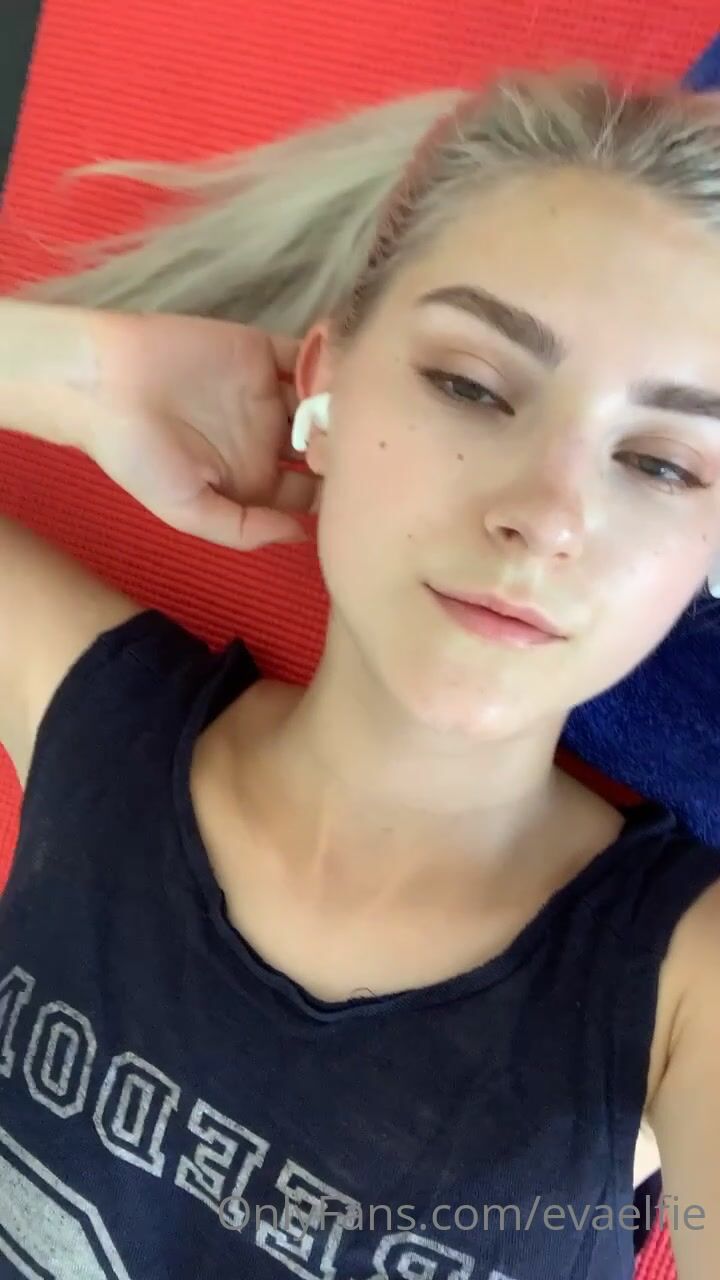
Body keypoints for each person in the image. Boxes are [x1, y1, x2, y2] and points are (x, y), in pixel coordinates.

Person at [0, 65, 719, 1280]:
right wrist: (86, 371)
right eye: (472, 385)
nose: (548, 517)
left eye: (661, 464)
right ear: (324, 381)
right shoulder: (99, 717)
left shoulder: (686, 990)